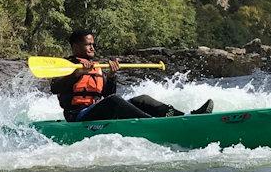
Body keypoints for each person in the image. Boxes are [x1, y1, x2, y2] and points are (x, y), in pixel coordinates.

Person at [48, 28, 213, 122]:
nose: (92, 48)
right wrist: (77, 73)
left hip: (95, 111)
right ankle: (153, 123)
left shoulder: (96, 66)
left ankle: (184, 118)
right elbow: (55, 88)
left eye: (93, 44)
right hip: (78, 116)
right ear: (76, 46)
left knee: (143, 99)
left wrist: (112, 76)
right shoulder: (66, 65)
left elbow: (108, 94)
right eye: (88, 45)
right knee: (113, 102)